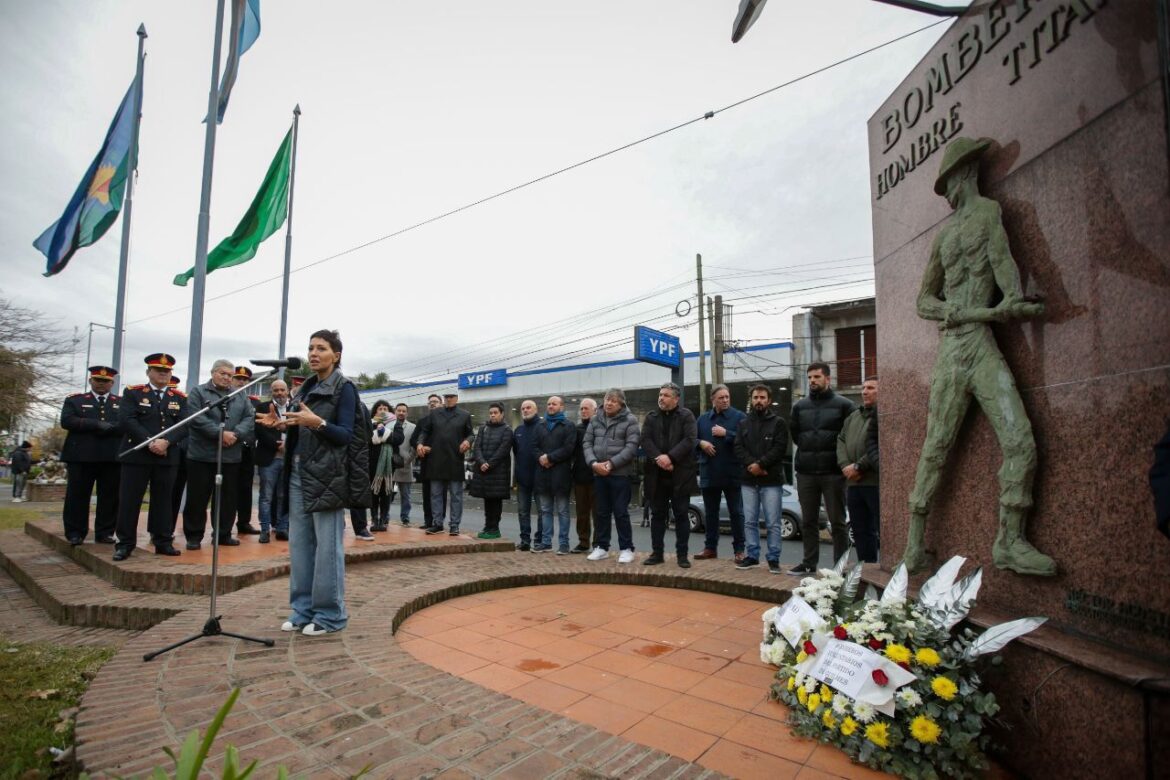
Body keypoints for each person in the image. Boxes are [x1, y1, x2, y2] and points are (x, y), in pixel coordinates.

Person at [907, 137, 1054, 577]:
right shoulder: (944, 236)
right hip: (954, 348)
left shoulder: (989, 213)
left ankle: (1009, 540)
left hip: (981, 344)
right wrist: (957, 310)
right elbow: (923, 300)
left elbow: (1003, 262)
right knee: (936, 446)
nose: (948, 192)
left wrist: (1011, 300)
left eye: (949, 181)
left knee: (1021, 441)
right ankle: (913, 544)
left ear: (965, 174)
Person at [260, 329, 365, 636]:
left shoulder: (344, 389)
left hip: (327, 476)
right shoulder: (305, 388)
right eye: (310, 348)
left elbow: (345, 435)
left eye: (321, 348)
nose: (313, 353)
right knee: (300, 544)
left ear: (337, 355)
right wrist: (283, 425)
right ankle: (302, 610)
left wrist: (316, 423)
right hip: (297, 472)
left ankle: (330, 615)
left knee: (327, 548)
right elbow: (301, 426)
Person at [114, 353, 188, 560]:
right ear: (149, 372)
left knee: (164, 501)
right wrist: (150, 441)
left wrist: (166, 442)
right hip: (137, 456)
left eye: (167, 371)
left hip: (167, 455)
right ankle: (125, 543)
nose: (163, 374)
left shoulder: (179, 398)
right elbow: (127, 420)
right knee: (130, 501)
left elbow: (184, 424)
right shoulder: (133, 393)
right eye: (158, 370)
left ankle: (162, 540)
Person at [788, 362, 854, 575]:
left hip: (833, 473)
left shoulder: (844, 405)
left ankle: (840, 566)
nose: (812, 381)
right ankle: (809, 563)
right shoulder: (799, 407)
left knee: (837, 522)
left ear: (827, 378)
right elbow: (796, 435)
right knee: (808, 521)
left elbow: (850, 438)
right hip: (806, 472)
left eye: (816, 377)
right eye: (809, 377)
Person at [182, 360, 255, 550]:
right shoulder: (198, 392)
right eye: (222, 373)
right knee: (197, 497)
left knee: (227, 498)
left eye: (230, 375)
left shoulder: (240, 395)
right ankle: (194, 536)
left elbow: (249, 418)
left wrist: (236, 434)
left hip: (230, 455)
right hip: (201, 455)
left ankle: (223, 534)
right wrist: (220, 433)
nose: (226, 378)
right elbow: (196, 418)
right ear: (213, 372)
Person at [59, 365, 122, 544]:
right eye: (98, 380)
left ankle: (105, 532)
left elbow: (126, 423)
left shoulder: (120, 402)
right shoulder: (75, 400)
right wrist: (95, 424)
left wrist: (111, 427)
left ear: (112, 383)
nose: (101, 384)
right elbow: (67, 420)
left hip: (111, 456)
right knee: (77, 495)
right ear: (90, 381)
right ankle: (75, 532)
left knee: (110, 496)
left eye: (106, 381)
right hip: (81, 456)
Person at [640, 382, 698, 568]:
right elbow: (645, 440)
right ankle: (657, 553)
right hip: (656, 476)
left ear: (676, 399)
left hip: (680, 474)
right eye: (660, 394)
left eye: (665, 395)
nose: (661, 398)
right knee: (657, 515)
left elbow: (689, 440)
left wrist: (670, 458)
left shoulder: (686, 416)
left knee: (681, 515)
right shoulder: (651, 417)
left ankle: (682, 555)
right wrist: (660, 458)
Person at [734, 384, 789, 573]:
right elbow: (738, 448)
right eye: (756, 397)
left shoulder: (778, 422)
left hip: (771, 481)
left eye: (762, 397)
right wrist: (753, 466)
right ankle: (752, 556)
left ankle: (773, 558)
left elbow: (780, 449)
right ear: (751, 399)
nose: (759, 401)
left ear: (768, 400)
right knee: (749, 521)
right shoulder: (743, 423)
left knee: (773, 522)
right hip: (749, 480)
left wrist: (761, 465)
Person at [583, 388, 640, 563]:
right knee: (601, 512)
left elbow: (631, 447)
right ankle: (601, 547)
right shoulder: (595, 420)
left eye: (613, 401)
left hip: (620, 475)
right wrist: (593, 463)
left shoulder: (631, 420)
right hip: (599, 473)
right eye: (607, 399)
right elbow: (587, 443)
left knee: (621, 512)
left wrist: (611, 464)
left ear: (621, 403)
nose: (608, 403)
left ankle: (626, 548)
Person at [694, 384, 747, 562]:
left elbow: (747, 440)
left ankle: (739, 550)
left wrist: (727, 433)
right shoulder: (702, 420)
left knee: (736, 513)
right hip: (709, 471)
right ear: (713, 400)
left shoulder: (739, 417)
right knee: (710, 513)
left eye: (727, 397)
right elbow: (690, 440)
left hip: (732, 472)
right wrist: (701, 443)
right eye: (721, 397)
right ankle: (710, 548)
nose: (725, 400)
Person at [418, 391, 473, 536]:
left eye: (451, 397)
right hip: (435, 459)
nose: (448, 399)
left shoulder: (464, 415)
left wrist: (468, 441)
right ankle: (437, 524)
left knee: (456, 494)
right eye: (446, 397)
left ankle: (454, 525)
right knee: (435, 494)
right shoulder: (435, 414)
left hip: (455, 459)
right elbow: (424, 431)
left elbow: (471, 434)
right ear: (443, 399)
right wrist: (419, 444)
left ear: (456, 399)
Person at [838, 376, 880, 563]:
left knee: (883, 530)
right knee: (861, 531)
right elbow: (841, 441)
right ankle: (867, 569)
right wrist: (845, 465)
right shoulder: (853, 417)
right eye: (863, 387)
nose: (864, 392)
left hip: (874, 481)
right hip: (853, 483)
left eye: (870, 388)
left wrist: (859, 465)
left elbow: (880, 444)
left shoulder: (883, 415)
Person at [533, 395, 577, 554]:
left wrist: (549, 458)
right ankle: (546, 542)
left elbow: (569, 448)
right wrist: (541, 458)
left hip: (561, 475)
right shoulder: (540, 425)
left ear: (562, 407)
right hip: (543, 475)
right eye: (549, 404)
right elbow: (534, 447)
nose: (551, 406)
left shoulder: (568, 426)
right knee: (545, 510)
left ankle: (564, 544)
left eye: (554, 404)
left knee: (563, 511)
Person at [254, 378, 290, 543]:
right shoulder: (262, 407)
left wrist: (288, 444)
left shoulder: (295, 407)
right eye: (276, 390)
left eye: (282, 389)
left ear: (287, 390)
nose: (279, 393)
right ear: (271, 392)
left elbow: (301, 429)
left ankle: (282, 528)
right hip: (270, 458)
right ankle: (265, 530)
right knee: (266, 496)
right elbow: (260, 431)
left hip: (289, 459)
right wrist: (278, 446)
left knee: (284, 495)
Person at [471, 402, 513, 539]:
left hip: (498, 473)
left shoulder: (507, 430)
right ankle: (487, 527)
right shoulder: (483, 428)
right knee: (487, 501)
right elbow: (476, 447)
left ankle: (494, 529)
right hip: (484, 472)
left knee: (495, 502)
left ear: (502, 414)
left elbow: (503, 450)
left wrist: (489, 464)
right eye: (491, 413)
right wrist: (482, 462)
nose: (492, 415)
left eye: (495, 412)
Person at [230, 366, 262, 535]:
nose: (241, 382)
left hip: (247, 449)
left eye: (244, 380)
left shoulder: (254, 402)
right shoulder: (225, 398)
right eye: (238, 378)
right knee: (228, 488)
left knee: (245, 488)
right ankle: (224, 525)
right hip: (229, 448)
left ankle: (244, 522)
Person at [367, 400, 402, 531]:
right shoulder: (369, 423)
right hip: (372, 463)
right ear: (375, 411)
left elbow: (399, 439)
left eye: (385, 408)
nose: (382, 410)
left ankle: (383, 519)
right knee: (373, 492)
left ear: (389, 411)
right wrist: (378, 433)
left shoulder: (395, 423)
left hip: (389, 464)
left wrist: (384, 433)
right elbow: (367, 438)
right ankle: (374, 519)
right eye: (379, 408)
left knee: (386, 492)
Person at [511, 399, 541, 551]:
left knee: (542, 511)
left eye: (529, 408)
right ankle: (525, 541)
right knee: (523, 511)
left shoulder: (542, 428)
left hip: (540, 478)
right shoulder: (518, 430)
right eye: (523, 408)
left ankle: (539, 541)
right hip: (523, 479)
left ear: (536, 410)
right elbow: (517, 453)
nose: (525, 410)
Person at [570, 398, 598, 553]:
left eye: (586, 408)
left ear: (594, 410)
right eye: (581, 409)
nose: (583, 411)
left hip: (597, 477)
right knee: (581, 513)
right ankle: (583, 542)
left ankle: (598, 544)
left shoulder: (600, 428)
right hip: (579, 477)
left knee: (597, 513)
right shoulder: (576, 429)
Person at [410, 394, 442, 530]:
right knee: (427, 492)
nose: (432, 404)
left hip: (441, 462)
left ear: (441, 404)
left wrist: (434, 448)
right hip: (425, 461)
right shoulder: (423, 421)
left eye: (435, 402)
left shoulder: (445, 420)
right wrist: (419, 446)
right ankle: (428, 521)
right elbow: (413, 439)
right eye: (430, 402)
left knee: (439, 493)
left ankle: (438, 522)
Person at [167, 374, 188, 532]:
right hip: (151, 452)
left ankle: (167, 530)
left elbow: (185, 425)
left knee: (174, 494)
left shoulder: (182, 400)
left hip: (178, 453)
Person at [391, 403, 417, 525]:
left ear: (407, 413)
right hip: (389, 465)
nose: (401, 413)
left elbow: (414, 447)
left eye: (404, 411)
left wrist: (408, 460)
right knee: (387, 494)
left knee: (406, 495)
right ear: (395, 411)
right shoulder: (388, 425)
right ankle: (385, 516)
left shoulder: (413, 427)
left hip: (405, 465)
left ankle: (405, 517)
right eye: (399, 410)